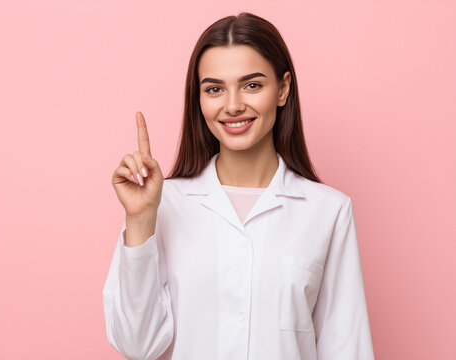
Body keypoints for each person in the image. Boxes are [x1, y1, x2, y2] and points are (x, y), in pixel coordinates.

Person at [102, 12, 374, 360]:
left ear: (283, 88)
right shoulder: (161, 204)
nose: (232, 105)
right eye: (214, 89)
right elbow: (136, 346)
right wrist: (139, 221)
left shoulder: (329, 211)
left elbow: (346, 348)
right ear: (198, 100)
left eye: (252, 85)